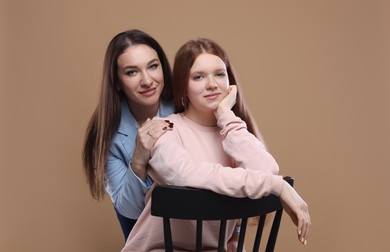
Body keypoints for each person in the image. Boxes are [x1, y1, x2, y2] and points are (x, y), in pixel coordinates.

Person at [122, 38, 311, 251]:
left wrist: (226, 116)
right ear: (183, 85)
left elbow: (268, 170)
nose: (212, 84)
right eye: (198, 77)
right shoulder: (165, 130)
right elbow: (186, 175)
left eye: (219, 74)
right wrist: (277, 185)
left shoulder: (233, 133)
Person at [82, 29, 175, 240]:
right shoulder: (107, 132)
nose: (147, 80)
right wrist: (139, 160)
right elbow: (128, 210)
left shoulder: (185, 104)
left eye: (153, 66)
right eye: (132, 72)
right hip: (149, 239)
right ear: (117, 81)